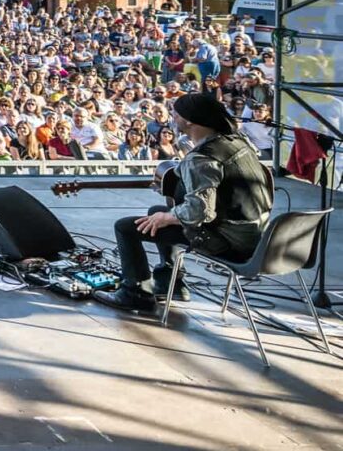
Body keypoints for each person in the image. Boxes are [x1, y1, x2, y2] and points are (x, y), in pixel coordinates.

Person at [109, 92, 273, 311]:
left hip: (230, 243)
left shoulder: (201, 158)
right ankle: (171, 283)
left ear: (189, 120)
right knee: (155, 211)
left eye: (175, 114)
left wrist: (167, 217)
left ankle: (135, 293)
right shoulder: (238, 142)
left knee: (127, 227)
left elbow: (200, 212)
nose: (172, 118)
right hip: (257, 236)